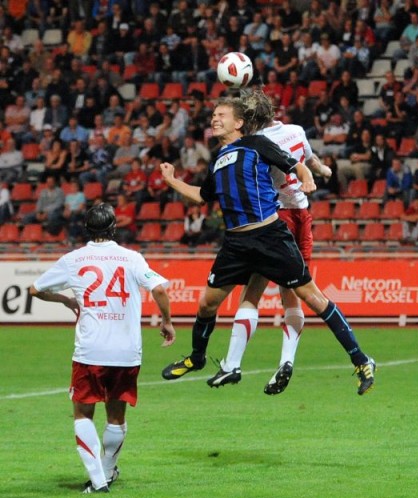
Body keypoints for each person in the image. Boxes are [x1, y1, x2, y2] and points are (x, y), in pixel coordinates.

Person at [159, 90, 376, 395]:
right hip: (235, 244)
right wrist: (172, 181)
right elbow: (202, 195)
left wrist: (307, 177)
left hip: (270, 236)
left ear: (239, 122)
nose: (214, 120)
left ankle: (362, 360)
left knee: (312, 297)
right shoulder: (218, 158)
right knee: (207, 303)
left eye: (221, 115)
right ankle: (197, 358)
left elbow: (295, 165)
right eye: (213, 116)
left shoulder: (257, 144)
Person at [28, 203, 175, 493]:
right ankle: (107, 472)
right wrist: (167, 322)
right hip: (126, 352)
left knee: (83, 414)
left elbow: (35, 289)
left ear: (86, 229)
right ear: (114, 228)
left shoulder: (74, 259)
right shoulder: (131, 258)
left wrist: (66, 300)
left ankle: (98, 481)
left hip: (90, 350)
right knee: (116, 417)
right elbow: (158, 289)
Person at [216, 95, 335, 395]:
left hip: (272, 218)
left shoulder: (254, 143)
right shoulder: (296, 130)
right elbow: (309, 160)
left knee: (252, 292)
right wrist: (322, 171)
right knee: (295, 291)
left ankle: (232, 364)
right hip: (302, 213)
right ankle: (287, 359)